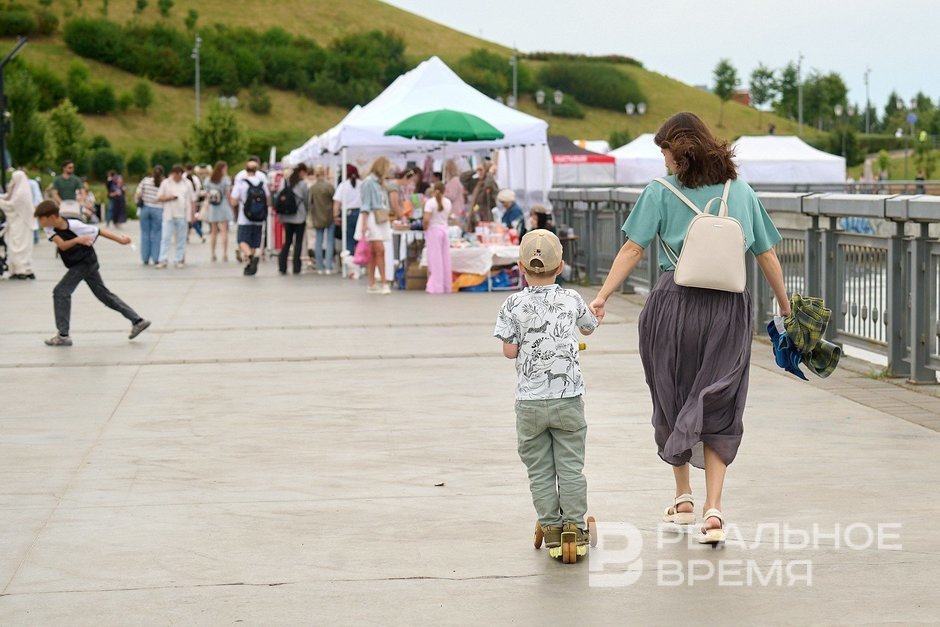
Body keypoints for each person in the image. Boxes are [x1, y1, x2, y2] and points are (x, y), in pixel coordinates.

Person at [588, 112, 791, 544]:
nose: (662, 162)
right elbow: (767, 256)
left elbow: (632, 247)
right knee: (719, 400)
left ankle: (682, 497)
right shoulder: (742, 192)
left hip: (674, 307)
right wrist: (787, 308)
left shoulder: (659, 193)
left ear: (678, 153)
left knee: (671, 393)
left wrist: (604, 295)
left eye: (664, 152)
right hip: (728, 310)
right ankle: (713, 510)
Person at [493, 229, 598, 554]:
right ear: (561, 266)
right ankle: (576, 529)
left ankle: (551, 527)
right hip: (568, 399)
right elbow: (588, 327)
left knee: (539, 468)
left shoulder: (512, 303)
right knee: (569, 465)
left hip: (529, 403)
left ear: (521, 267)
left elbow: (510, 352)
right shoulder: (571, 298)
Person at [34, 200, 150, 347]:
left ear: (51, 217)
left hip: (86, 262)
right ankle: (138, 320)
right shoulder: (50, 228)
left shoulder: (75, 225)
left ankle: (63, 336)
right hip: (77, 263)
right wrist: (77, 240)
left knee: (61, 291)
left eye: (41, 219)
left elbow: (99, 231)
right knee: (104, 295)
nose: (39, 222)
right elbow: (62, 246)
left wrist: (121, 241)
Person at [357, 156, 393, 294]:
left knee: (374, 252)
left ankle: (372, 283)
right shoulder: (369, 182)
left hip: (379, 217)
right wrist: (365, 224)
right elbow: (366, 204)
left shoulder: (378, 183)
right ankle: (383, 282)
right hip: (372, 217)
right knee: (380, 250)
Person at [230, 155, 270, 276]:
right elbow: (268, 199)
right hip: (259, 217)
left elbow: (233, 201)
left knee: (242, 240)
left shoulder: (241, 181)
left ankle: (250, 257)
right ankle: (249, 265)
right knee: (253, 242)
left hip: (244, 216)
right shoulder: (262, 180)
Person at [155, 165, 196, 269]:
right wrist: (170, 197)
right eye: (176, 175)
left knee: (181, 239)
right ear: (173, 174)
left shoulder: (187, 183)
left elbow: (192, 200)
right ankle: (163, 259)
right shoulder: (166, 183)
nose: (178, 177)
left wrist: (192, 215)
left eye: (180, 175)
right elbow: (159, 197)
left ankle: (178, 259)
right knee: (165, 238)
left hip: (182, 215)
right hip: (169, 215)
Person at [0, 170, 37, 279]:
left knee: (18, 246)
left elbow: (10, 206)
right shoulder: (21, 190)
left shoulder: (21, 193)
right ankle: (22, 269)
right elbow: (8, 197)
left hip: (20, 225)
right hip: (20, 224)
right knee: (21, 246)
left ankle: (21, 270)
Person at [277, 164, 309, 275]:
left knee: (287, 241)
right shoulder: (302, 184)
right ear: (302, 172)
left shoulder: (285, 182)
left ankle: (282, 265)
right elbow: (306, 200)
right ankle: (296, 267)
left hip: (287, 217)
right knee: (298, 242)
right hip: (299, 216)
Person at [422, 181, 452, 294]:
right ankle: (446, 285)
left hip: (433, 230)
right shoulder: (448, 202)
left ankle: (435, 285)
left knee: (435, 259)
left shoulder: (430, 203)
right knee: (445, 259)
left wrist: (425, 227)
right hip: (444, 229)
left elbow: (426, 219)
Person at [307, 165, 336, 274]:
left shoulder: (313, 188)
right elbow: (334, 201)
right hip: (329, 216)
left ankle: (319, 266)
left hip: (317, 216)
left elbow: (310, 203)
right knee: (329, 241)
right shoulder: (329, 187)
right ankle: (328, 265)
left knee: (318, 241)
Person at [134, 166, 165, 266]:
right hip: (158, 209)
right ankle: (156, 258)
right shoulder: (164, 183)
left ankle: (145, 258)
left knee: (145, 233)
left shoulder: (145, 180)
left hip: (145, 208)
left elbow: (138, 194)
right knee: (157, 234)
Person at [203, 161, 232, 262]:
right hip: (223, 204)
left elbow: (206, 193)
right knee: (224, 231)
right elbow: (227, 194)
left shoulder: (209, 179)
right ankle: (224, 253)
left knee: (214, 231)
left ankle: (213, 253)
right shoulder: (225, 180)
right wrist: (231, 205)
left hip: (213, 206)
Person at [332, 164, 361, 256]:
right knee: (359, 238)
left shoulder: (343, 185)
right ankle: (359, 259)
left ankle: (350, 260)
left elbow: (337, 202)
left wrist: (335, 216)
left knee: (348, 239)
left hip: (348, 214)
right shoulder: (362, 184)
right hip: (360, 213)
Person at [184, 162, 205, 243]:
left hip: (188, 202)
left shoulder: (183, 178)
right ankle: (199, 235)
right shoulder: (195, 179)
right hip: (193, 201)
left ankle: (188, 235)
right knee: (193, 220)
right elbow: (198, 191)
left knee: (191, 220)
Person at [443, 159, 466, 230]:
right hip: (458, 208)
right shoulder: (457, 180)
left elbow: (452, 196)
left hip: (455, 209)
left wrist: (442, 194)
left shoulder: (454, 181)